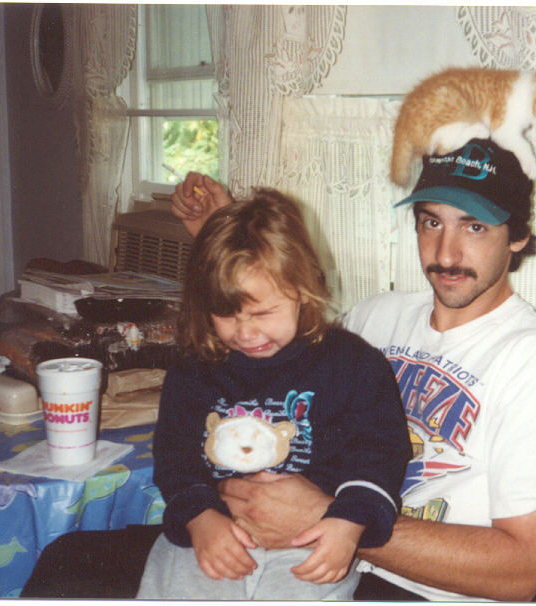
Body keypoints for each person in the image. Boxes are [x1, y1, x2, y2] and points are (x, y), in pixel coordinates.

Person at [21, 138, 536, 600]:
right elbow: (276, 353)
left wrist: (329, 518)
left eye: (474, 227)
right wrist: (228, 240)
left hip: (403, 584)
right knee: (65, 564)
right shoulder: (379, 315)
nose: (447, 252)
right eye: (432, 222)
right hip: (266, 542)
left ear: (518, 237)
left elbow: (521, 572)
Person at [135, 188, 411, 600]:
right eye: (226, 315)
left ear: (304, 288)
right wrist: (199, 517)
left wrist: (349, 522)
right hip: (212, 533)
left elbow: (380, 452)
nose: (246, 333)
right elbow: (174, 454)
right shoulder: (193, 367)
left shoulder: (353, 362)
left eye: (263, 313)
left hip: (315, 540)